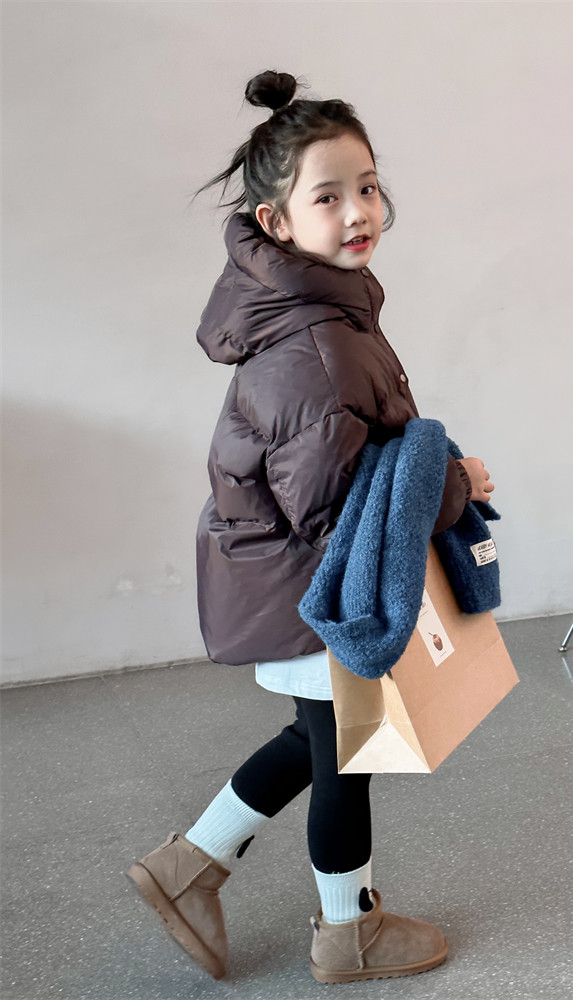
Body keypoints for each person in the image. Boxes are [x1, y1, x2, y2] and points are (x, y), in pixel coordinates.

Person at [127, 70, 495, 985]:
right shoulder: (319, 341)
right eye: (327, 196)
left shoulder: (323, 304)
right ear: (276, 222)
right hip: (312, 579)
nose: (359, 210)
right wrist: (454, 485)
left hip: (293, 570)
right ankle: (348, 931)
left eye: (366, 185)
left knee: (317, 738)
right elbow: (333, 507)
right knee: (343, 758)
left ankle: (189, 867)